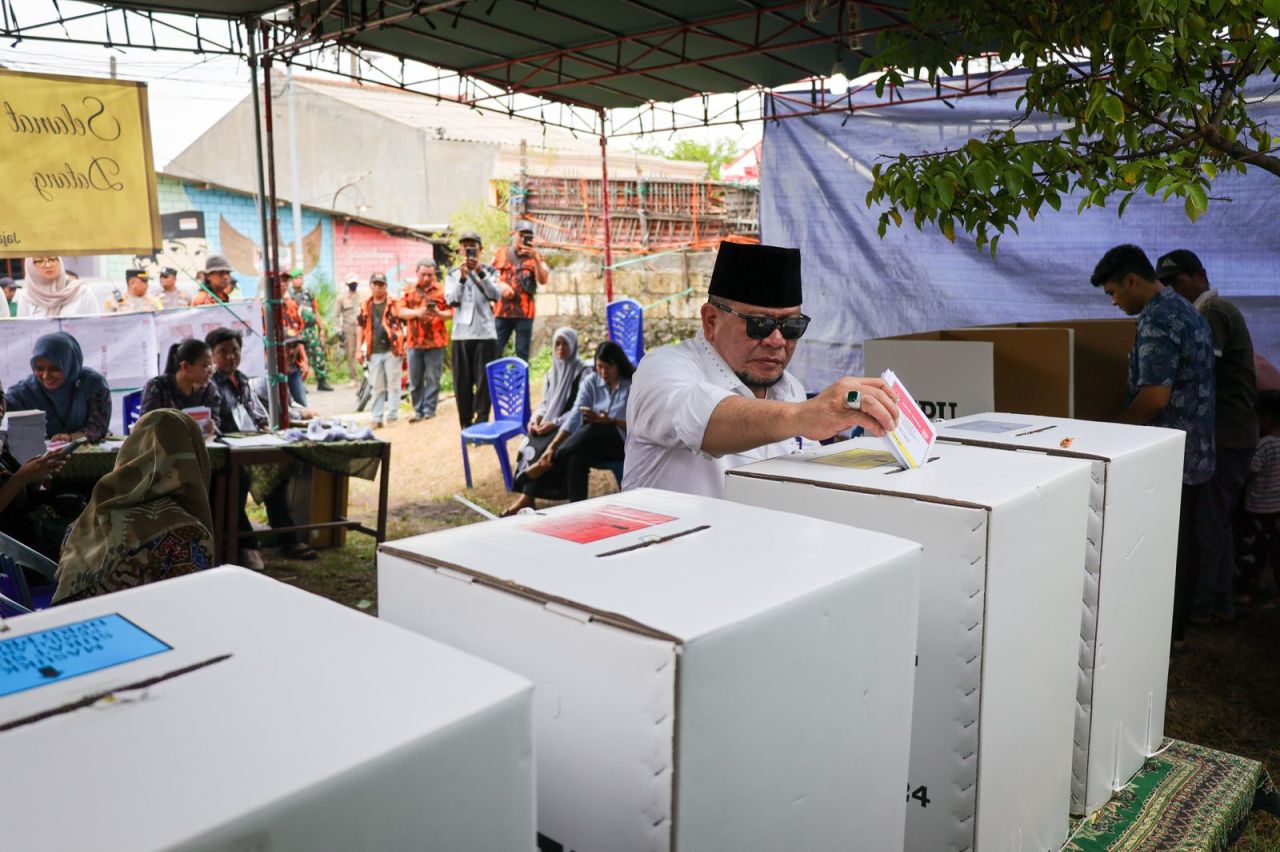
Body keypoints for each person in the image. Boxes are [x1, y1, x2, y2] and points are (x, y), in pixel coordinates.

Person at [623, 241, 899, 499]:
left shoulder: (790, 389)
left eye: (792, 327)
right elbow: (698, 420)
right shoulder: (663, 369)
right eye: (759, 325)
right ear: (711, 321)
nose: (776, 341)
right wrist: (805, 415)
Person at [1091, 244, 1215, 651]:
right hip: (1195, 451)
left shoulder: (1158, 319)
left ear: (1131, 280)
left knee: (1167, 547)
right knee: (1186, 541)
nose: (1113, 301)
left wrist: (1113, 437)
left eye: (1113, 291)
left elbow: (1155, 398)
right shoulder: (1186, 309)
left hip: (1167, 458)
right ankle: (1178, 630)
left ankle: (1165, 636)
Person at [1157, 249, 1258, 624]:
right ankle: (1220, 602)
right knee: (1216, 520)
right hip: (1231, 433)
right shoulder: (1210, 311)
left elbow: (1202, 373)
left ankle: (1201, 607)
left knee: (1208, 522)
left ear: (1199, 276)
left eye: (1176, 282)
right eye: (1165, 284)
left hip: (1226, 435)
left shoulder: (1212, 313)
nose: (1171, 291)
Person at [51, 409, 215, 604]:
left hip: (73, 626)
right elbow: (190, 613)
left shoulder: (92, 515)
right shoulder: (187, 535)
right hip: (134, 630)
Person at [206, 327, 318, 567]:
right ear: (212, 355)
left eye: (234, 351)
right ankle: (246, 546)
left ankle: (289, 539)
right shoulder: (209, 384)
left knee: (276, 476)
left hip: (252, 444)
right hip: (226, 451)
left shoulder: (242, 379)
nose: (230, 357)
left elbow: (255, 412)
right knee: (235, 484)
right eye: (222, 352)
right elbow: (212, 422)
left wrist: (264, 428)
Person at [512, 340, 633, 512]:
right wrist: (552, 447)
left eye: (608, 367)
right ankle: (576, 510)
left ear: (619, 365)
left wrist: (612, 421)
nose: (603, 372)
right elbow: (575, 415)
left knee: (595, 428)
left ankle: (548, 463)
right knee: (576, 456)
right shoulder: (592, 382)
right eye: (600, 367)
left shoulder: (632, 386)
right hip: (594, 443)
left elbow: (641, 426)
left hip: (623, 443)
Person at [504, 327, 590, 514]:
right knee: (528, 443)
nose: (560, 348)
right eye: (557, 344)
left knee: (545, 446)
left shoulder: (583, 372)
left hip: (571, 426)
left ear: (573, 345)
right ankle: (527, 497)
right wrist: (536, 419)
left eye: (565, 344)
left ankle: (529, 497)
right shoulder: (552, 373)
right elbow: (545, 403)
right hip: (550, 423)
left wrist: (556, 423)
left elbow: (581, 410)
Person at [5, 332, 111, 443]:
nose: (46, 376)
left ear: (69, 365)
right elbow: (4, 408)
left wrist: (72, 437)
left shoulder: (92, 384)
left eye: (54, 369)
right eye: (39, 369)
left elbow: (98, 428)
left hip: (90, 457)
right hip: (41, 457)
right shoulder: (25, 392)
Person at [445, 231, 501, 428]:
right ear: (460, 249)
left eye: (473, 245)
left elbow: (496, 295)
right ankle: (466, 425)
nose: (469, 249)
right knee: (462, 382)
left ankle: (483, 421)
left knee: (484, 381)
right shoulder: (452, 274)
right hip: (461, 334)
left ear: (480, 249)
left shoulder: (491, 272)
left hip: (484, 333)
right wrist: (462, 279)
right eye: (465, 246)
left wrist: (480, 273)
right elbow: (451, 300)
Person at [396, 258, 453, 422]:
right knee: (415, 379)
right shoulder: (408, 290)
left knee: (433, 378)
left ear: (435, 274)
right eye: (423, 275)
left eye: (430, 275)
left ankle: (429, 410)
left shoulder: (443, 291)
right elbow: (399, 311)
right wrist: (417, 313)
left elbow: (451, 312)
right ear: (416, 273)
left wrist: (439, 314)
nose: (427, 278)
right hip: (414, 342)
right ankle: (418, 410)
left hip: (436, 342)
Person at [493, 221, 549, 363]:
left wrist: (535, 259)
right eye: (521, 235)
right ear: (513, 235)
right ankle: (494, 383)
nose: (524, 238)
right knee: (495, 350)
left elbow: (543, 280)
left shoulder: (536, 256)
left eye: (528, 235)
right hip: (502, 312)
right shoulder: (501, 253)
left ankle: (522, 384)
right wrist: (501, 285)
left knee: (522, 353)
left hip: (525, 313)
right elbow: (489, 277)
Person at [357, 272, 405, 428]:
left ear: (386, 286)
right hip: (374, 351)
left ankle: (392, 416)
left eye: (381, 284)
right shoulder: (365, 305)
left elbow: (405, 322)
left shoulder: (394, 303)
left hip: (392, 350)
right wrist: (358, 348)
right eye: (375, 284)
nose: (378, 288)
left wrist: (403, 342)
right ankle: (376, 418)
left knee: (393, 384)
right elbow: (360, 326)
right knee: (376, 386)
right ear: (371, 285)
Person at [141, 338, 219, 433]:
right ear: (185, 366)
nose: (210, 372)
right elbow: (147, 426)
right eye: (206, 366)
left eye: (212, 367)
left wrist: (213, 428)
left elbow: (216, 422)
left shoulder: (209, 389)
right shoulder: (157, 387)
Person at [289, 270, 333, 392]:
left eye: (300, 278)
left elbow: (315, 311)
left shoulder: (308, 293)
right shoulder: (289, 295)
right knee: (300, 357)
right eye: (296, 278)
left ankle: (322, 381)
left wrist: (321, 327)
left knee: (318, 354)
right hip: (298, 331)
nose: (298, 280)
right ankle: (301, 384)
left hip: (310, 330)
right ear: (292, 280)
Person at [15, 256, 100, 318]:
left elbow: (95, 328)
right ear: (30, 266)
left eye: (52, 259)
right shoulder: (27, 297)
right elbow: (23, 332)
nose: (48, 265)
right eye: (40, 261)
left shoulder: (82, 292)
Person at [334, 272, 363, 385]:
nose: (353, 285)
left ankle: (366, 377)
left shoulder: (363, 296)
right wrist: (338, 330)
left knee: (364, 351)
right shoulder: (341, 298)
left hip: (362, 327)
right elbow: (336, 315)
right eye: (351, 283)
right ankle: (353, 378)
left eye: (355, 283)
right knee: (350, 352)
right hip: (349, 329)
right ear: (347, 284)